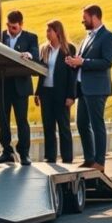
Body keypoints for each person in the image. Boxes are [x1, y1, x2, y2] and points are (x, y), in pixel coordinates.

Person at [65, 5, 112, 172]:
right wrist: (73, 62)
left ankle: (100, 162)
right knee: (81, 123)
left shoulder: (108, 37)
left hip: (97, 88)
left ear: (94, 17)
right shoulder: (86, 38)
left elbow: (107, 62)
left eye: (85, 18)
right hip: (84, 89)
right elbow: (82, 61)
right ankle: (89, 159)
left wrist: (83, 62)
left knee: (97, 124)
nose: (83, 21)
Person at [0, 10, 39, 165]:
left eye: (13, 27)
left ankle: (24, 154)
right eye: (8, 26)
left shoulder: (31, 37)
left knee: (22, 121)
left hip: (21, 86)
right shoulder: (0, 36)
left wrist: (29, 54)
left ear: (21, 25)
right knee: (2, 120)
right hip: (3, 85)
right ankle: (6, 151)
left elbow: (35, 52)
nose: (10, 29)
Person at [34, 20, 77, 163]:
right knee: (48, 125)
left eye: (49, 31)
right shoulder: (44, 49)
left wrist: (71, 95)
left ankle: (67, 158)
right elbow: (41, 72)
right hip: (46, 92)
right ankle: (50, 157)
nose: (47, 34)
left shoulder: (68, 49)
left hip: (62, 94)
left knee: (63, 127)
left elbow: (72, 75)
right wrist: (37, 92)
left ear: (57, 32)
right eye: (47, 31)